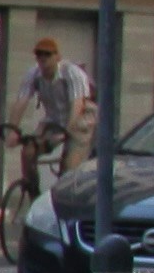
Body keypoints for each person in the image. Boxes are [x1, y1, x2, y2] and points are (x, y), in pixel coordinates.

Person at [8, 35, 95, 200]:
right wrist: (13, 130)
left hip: (79, 122)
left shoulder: (72, 73)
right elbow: (21, 101)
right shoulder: (33, 74)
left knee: (68, 169)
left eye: (47, 55)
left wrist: (66, 132)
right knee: (28, 151)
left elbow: (77, 106)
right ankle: (34, 196)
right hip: (53, 121)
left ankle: (65, 204)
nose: (43, 60)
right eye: (39, 55)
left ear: (57, 57)